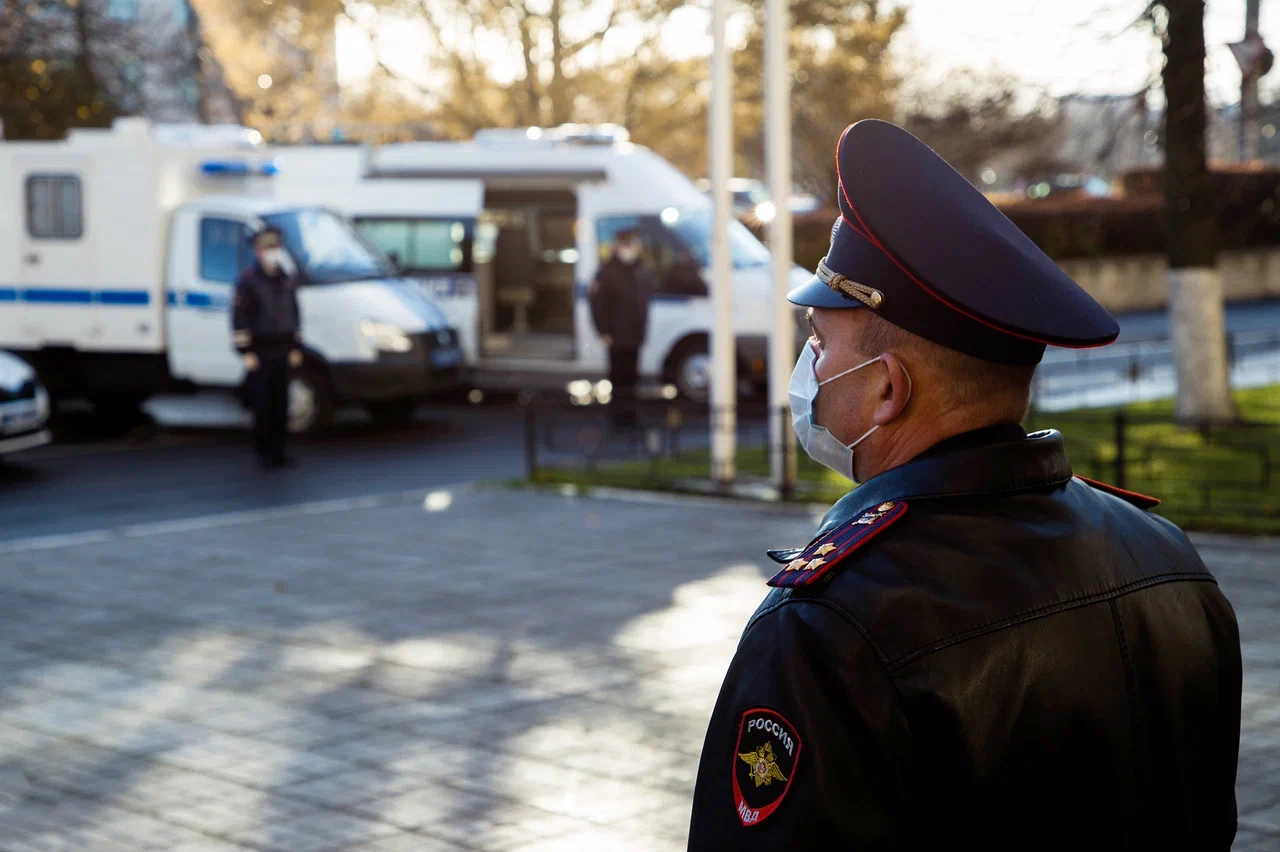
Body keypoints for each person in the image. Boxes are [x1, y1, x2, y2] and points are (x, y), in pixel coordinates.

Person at [687, 121, 1241, 850]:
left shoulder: (835, 629)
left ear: (887, 389)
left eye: (819, 345)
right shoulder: (1167, 559)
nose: (808, 369)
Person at [232, 225, 303, 469]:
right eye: (267, 248)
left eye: (275, 247)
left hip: (283, 348)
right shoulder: (249, 281)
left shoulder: (285, 278)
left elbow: (294, 312)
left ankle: (280, 451)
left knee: (281, 403)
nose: (272, 252)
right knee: (262, 404)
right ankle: (263, 452)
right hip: (260, 351)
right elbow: (240, 317)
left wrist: (295, 346)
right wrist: (245, 351)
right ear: (258, 251)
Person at [590, 230, 654, 428]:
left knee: (632, 378)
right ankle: (618, 418)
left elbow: (643, 301)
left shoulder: (638, 269)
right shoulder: (607, 272)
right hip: (616, 336)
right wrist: (604, 332)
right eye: (627, 245)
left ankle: (630, 416)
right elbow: (598, 305)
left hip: (634, 335)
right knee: (619, 379)